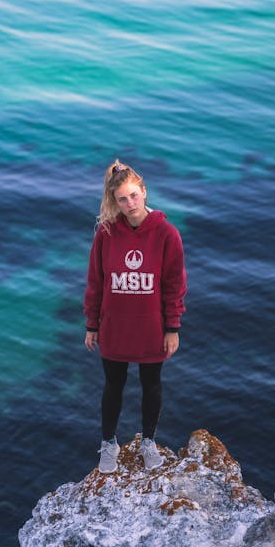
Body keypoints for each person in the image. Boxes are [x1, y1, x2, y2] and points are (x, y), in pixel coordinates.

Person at [84, 159, 187, 474]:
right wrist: (91, 324)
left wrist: (172, 328)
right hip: (114, 326)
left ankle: (148, 442)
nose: (130, 204)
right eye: (122, 199)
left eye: (134, 195)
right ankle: (108, 443)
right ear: (114, 202)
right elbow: (96, 281)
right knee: (113, 385)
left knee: (151, 384)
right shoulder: (106, 233)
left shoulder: (167, 234)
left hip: (150, 327)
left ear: (144, 191)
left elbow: (174, 286)